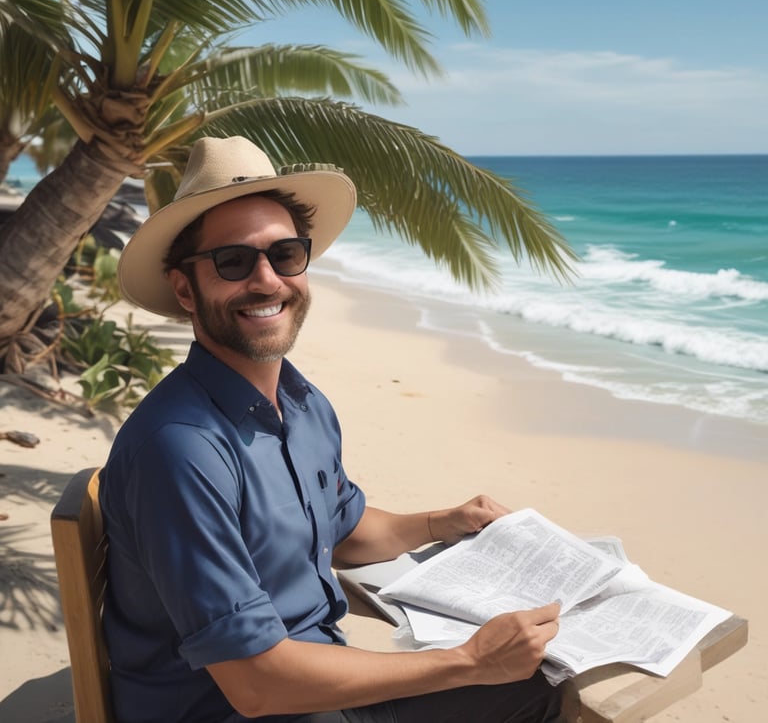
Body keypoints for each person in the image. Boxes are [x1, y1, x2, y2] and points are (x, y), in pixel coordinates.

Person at [101, 136, 562, 723]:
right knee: (532, 691)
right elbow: (255, 683)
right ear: (186, 288)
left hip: (310, 685)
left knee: (542, 674)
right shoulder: (182, 447)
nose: (267, 281)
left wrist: (441, 521)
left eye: (285, 254)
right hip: (237, 708)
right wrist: (471, 660)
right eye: (233, 261)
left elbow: (340, 529)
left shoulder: (300, 403)